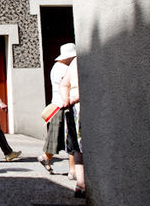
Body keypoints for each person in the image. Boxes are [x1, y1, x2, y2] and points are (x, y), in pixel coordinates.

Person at [37, 43, 77, 176]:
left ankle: (46, 157)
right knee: (70, 136)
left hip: (58, 105)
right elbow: (67, 86)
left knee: (58, 137)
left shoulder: (57, 67)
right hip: (63, 105)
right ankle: (73, 169)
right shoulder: (63, 69)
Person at [61, 56, 85, 198]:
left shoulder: (74, 61)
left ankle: (80, 185)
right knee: (79, 146)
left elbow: (64, 85)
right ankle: (81, 183)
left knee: (77, 147)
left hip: (73, 107)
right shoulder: (79, 60)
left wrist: (66, 100)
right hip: (79, 106)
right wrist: (69, 99)